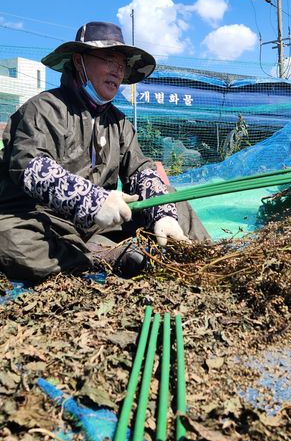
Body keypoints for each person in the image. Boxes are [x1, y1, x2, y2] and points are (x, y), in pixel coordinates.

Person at [0, 22, 211, 282]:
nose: (118, 71)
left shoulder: (119, 122)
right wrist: (91, 200)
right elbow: (31, 167)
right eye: (109, 60)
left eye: (122, 65)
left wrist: (164, 215)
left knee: (168, 196)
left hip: (99, 228)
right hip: (44, 223)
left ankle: (204, 260)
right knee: (9, 240)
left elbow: (141, 171)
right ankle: (103, 257)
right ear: (79, 61)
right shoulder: (44, 108)